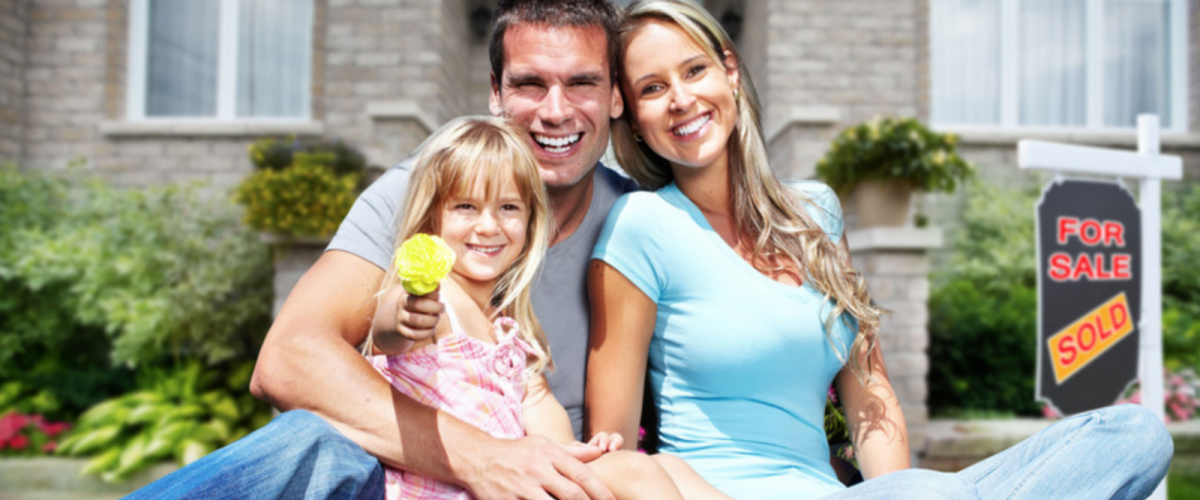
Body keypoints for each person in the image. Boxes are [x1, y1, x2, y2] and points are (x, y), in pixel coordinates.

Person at [585, 1, 1174, 500]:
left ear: (731, 72)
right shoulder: (643, 225)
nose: (682, 99)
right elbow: (615, 459)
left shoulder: (816, 212)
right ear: (634, 121)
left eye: (694, 71)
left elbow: (871, 396)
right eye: (653, 89)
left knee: (1135, 436)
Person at [126, 1, 635, 499]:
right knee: (315, 444)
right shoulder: (428, 186)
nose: (555, 111)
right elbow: (288, 360)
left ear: (615, 96)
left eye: (581, 83)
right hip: (401, 478)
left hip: (538, 480)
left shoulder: (637, 220)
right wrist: (480, 458)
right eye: (530, 83)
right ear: (496, 93)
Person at [362, 116, 724, 500]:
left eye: (507, 207)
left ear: (530, 219)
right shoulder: (435, 298)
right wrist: (404, 317)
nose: (488, 226)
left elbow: (544, 420)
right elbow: (387, 336)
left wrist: (580, 455)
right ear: (433, 216)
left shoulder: (508, 331)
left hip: (508, 485)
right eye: (466, 206)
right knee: (634, 471)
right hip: (445, 489)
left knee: (669, 467)